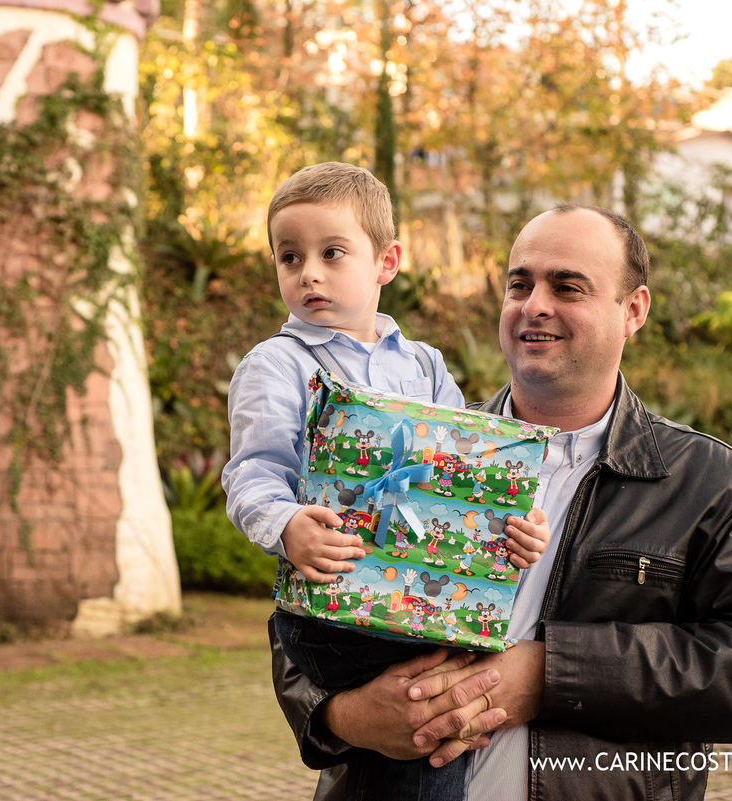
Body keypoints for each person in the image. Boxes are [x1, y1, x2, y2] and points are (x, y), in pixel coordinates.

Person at [269, 203, 732, 801]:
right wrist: (344, 716)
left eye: (567, 286)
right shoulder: (405, 443)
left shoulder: (711, 483)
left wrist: (551, 674)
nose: (535, 304)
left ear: (634, 311)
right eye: (519, 284)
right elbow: (301, 616)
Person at [221, 162, 550, 801]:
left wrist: (519, 525)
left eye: (332, 252)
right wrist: (287, 526)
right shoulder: (279, 364)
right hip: (337, 613)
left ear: (387, 261)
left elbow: (475, 470)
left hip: (428, 605)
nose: (308, 272)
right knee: (415, 744)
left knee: (431, 747)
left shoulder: (424, 364)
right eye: (289, 257)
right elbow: (253, 472)